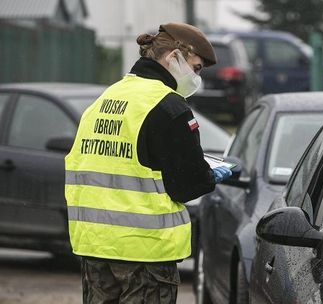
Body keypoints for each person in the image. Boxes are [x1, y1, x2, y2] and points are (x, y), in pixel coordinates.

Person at [64, 22, 232, 303]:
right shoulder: (169, 107)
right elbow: (187, 186)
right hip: (145, 253)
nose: (196, 77)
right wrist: (212, 175)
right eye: (196, 67)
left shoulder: (106, 99)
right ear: (173, 57)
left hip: (95, 248)